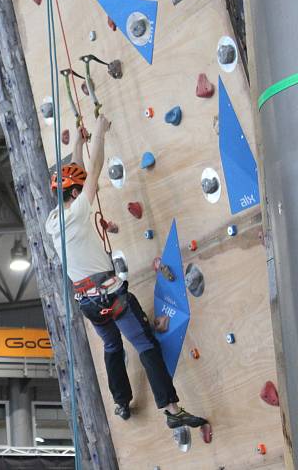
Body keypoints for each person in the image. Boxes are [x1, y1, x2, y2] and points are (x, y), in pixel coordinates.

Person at [45, 115, 208, 429]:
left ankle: (121, 402)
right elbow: (92, 171)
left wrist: (78, 143)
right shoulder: (79, 211)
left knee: (111, 346)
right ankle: (172, 410)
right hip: (110, 295)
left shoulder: (54, 219)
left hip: (88, 303)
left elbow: (77, 174)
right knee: (146, 345)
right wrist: (100, 132)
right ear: (76, 196)